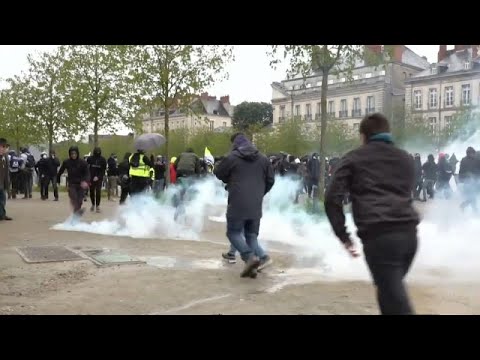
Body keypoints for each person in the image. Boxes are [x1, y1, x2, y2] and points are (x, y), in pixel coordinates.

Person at [324, 113, 419, 315]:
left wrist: (343, 236)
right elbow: (408, 191)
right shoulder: (405, 158)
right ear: (388, 133)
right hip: (410, 237)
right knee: (388, 292)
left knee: (394, 298)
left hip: (380, 237)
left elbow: (332, 198)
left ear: (363, 136)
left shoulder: (353, 158)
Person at [214, 133, 275, 278]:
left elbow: (218, 173)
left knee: (233, 233)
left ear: (235, 144)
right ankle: (263, 257)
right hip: (256, 203)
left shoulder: (232, 157)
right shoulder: (263, 159)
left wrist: (228, 179)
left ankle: (249, 258)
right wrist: (260, 193)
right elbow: (271, 180)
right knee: (251, 236)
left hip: (237, 202)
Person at [57, 146, 90, 217]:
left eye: (75, 154)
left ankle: (76, 215)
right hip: (72, 184)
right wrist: (58, 180)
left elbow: (87, 173)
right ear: (70, 154)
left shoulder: (83, 162)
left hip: (81, 184)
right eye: (72, 154)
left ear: (77, 153)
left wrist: (86, 181)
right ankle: (77, 213)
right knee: (74, 199)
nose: (73, 155)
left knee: (80, 201)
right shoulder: (66, 162)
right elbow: (60, 172)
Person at [458, 147, 480, 213]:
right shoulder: (465, 160)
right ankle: (471, 209)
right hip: (468, 182)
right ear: (469, 153)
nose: (473, 154)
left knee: (473, 196)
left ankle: (468, 207)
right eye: (472, 153)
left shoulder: (477, 160)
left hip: (475, 181)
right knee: (472, 196)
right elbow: (461, 171)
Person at [87, 147, 107, 213]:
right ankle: (93, 204)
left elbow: (103, 170)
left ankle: (98, 206)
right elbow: (87, 168)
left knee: (98, 191)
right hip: (91, 178)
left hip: (99, 178)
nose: (97, 153)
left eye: (99, 152)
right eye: (96, 152)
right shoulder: (90, 159)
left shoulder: (103, 160)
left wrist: (98, 177)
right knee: (92, 191)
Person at [0, 138, 12, 221]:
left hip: (2, 183)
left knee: (2, 199)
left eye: (5, 147)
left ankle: (2, 215)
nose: (4, 148)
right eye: (2, 146)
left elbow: (6, 173)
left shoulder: (5, 157)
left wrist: (7, 186)